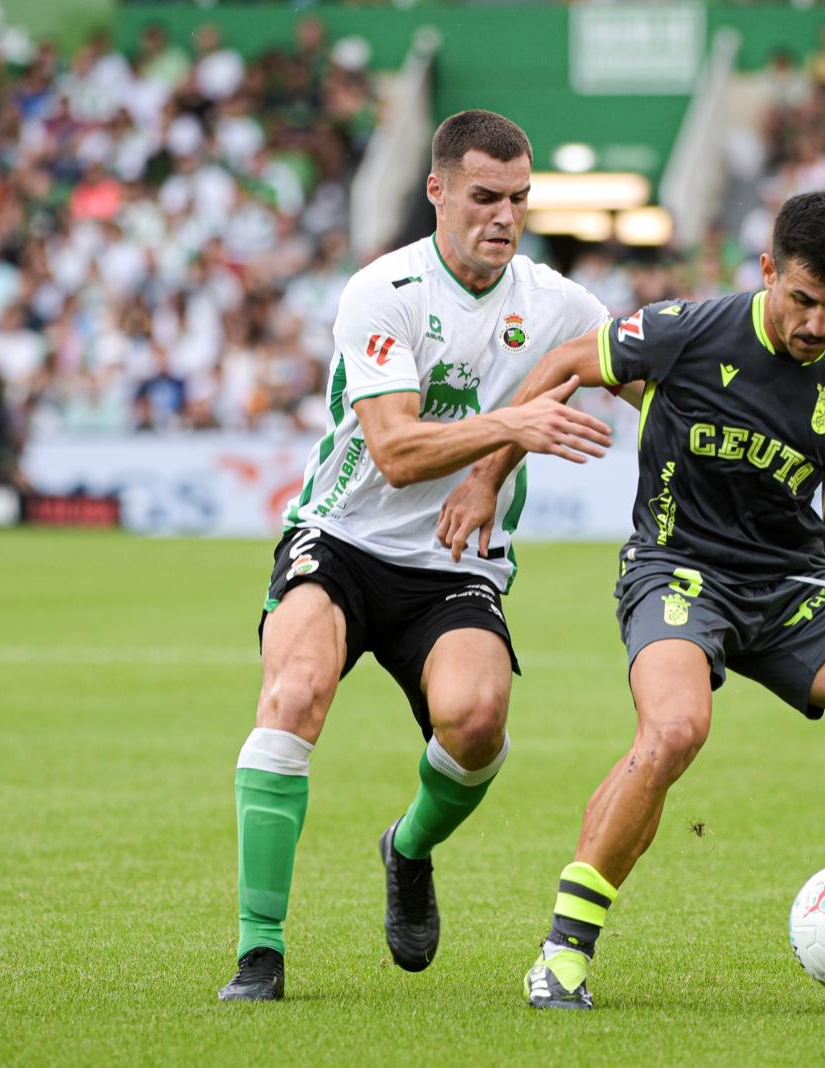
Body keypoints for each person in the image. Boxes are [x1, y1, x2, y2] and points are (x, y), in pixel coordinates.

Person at [439, 192, 825, 1010]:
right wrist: (485, 476)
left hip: (790, 589)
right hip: (676, 570)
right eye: (803, 299)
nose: (817, 324)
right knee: (674, 731)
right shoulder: (687, 330)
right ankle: (564, 952)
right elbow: (565, 363)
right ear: (769, 270)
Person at [218, 110, 616, 1002]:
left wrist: (495, 468)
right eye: (484, 196)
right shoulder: (384, 290)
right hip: (342, 538)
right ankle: (259, 954)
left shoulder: (560, 304)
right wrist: (511, 425)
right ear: (436, 190)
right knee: (293, 695)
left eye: (519, 199)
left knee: (476, 723)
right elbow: (396, 452)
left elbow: (638, 372)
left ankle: (408, 849)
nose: (504, 216)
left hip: (456, 562)